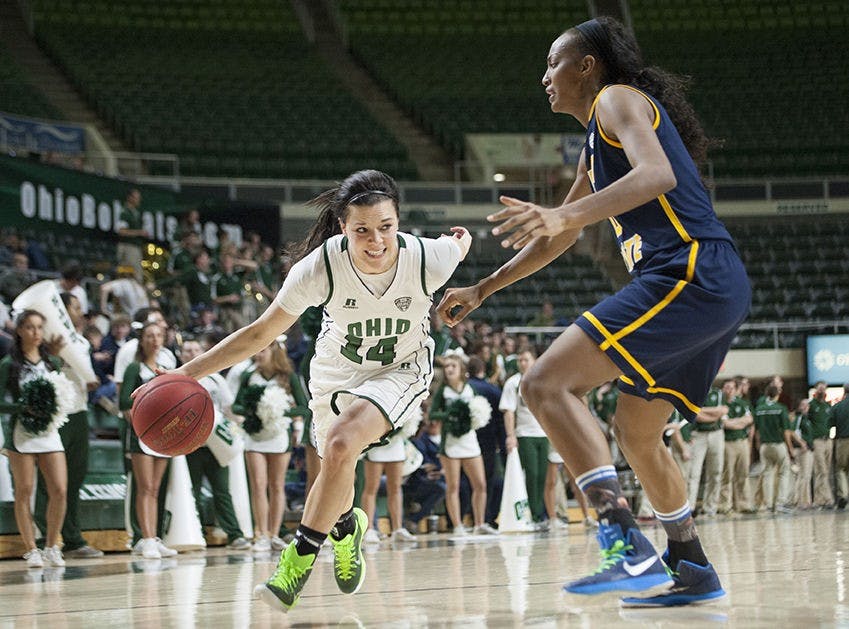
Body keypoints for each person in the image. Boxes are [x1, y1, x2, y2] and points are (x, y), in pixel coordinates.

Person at [437, 16, 749, 606]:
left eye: (556, 62)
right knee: (636, 432)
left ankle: (624, 544)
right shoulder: (593, 146)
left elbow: (654, 175)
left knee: (545, 383)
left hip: (688, 270)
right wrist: (484, 288)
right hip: (710, 284)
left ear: (588, 66)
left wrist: (567, 216)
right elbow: (558, 236)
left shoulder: (617, 99)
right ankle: (690, 564)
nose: (545, 75)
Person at [143, 170, 472, 611]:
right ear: (342, 227)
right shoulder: (319, 268)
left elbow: (458, 245)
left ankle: (295, 562)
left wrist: (462, 240)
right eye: (362, 231)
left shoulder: (429, 257)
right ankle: (345, 528)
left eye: (386, 228)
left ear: (399, 221)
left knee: (340, 444)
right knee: (338, 462)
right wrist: (183, 374)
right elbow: (259, 333)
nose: (376, 241)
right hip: (336, 374)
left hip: (401, 367)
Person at [33, 293, 104, 558]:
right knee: (48, 480)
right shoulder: (42, 343)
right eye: (75, 307)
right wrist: (52, 355)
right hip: (55, 415)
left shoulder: (82, 343)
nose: (80, 311)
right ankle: (43, 537)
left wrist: (91, 380)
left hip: (79, 412)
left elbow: (84, 378)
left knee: (74, 478)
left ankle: (73, 539)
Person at [0, 310, 68, 568]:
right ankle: (31, 549)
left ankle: (52, 546)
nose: (36, 332)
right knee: (25, 491)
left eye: (40, 327)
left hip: (50, 432)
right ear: (19, 331)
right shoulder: (9, 364)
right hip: (22, 435)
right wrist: (22, 408)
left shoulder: (53, 363)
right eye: (29, 327)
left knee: (60, 490)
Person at [231, 340, 308, 553]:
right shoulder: (248, 375)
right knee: (258, 484)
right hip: (255, 436)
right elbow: (236, 405)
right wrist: (253, 409)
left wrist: (279, 412)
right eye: (256, 350)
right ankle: (261, 534)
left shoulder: (287, 377)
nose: (258, 354)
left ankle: (274, 534)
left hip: (278, 435)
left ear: (273, 352)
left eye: (262, 350)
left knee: (276, 485)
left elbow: (303, 407)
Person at [180, 339, 251, 550]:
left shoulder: (216, 379)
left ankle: (235, 534)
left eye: (195, 349)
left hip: (217, 445)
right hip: (190, 446)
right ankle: (197, 533)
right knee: (192, 490)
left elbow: (229, 411)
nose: (191, 353)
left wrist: (236, 431)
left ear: (203, 351)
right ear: (181, 355)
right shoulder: (177, 381)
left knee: (222, 490)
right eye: (187, 350)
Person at [118, 321, 178, 559]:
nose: (154, 340)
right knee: (145, 488)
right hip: (140, 433)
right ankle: (145, 538)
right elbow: (124, 402)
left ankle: (154, 537)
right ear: (142, 340)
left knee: (155, 488)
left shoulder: (166, 368)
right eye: (149, 336)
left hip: (162, 435)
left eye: (158, 336)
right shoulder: (135, 368)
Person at [428, 353, 495, 536]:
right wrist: (449, 415)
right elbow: (433, 414)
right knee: (453, 486)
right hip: (450, 444)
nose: (449, 369)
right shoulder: (443, 391)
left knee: (480, 484)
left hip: (470, 441)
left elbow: (477, 409)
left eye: (453, 366)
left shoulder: (469, 388)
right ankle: (457, 526)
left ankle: (479, 523)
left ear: (461, 370)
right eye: (447, 366)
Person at [499, 349, 549, 523]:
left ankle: (540, 514)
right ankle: (532, 515)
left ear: (535, 361)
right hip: (524, 434)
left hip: (544, 434)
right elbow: (509, 411)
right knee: (532, 474)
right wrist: (510, 435)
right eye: (520, 360)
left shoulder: (543, 381)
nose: (522, 363)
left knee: (543, 476)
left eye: (526, 359)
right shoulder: (512, 383)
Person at [360, 431, 417, 543]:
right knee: (371, 488)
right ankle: (369, 529)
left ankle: (397, 529)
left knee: (395, 488)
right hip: (375, 441)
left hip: (396, 442)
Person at [808, 380, 835, 509]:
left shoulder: (828, 406)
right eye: (819, 389)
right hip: (817, 441)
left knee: (825, 471)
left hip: (828, 440)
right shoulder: (811, 406)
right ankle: (827, 499)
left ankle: (819, 499)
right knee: (821, 470)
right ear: (815, 390)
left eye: (824, 389)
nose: (822, 391)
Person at [116, 188, 149, 282]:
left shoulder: (135, 213)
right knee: (130, 276)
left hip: (135, 247)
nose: (139, 200)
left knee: (137, 275)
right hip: (128, 247)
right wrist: (139, 232)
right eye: (136, 197)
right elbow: (121, 231)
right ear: (130, 198)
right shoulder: (125, 212)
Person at [830, 384, 849, 510]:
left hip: (842, 440)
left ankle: (843, 495)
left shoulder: (837, 406)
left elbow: (830, 423)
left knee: (841, 469)